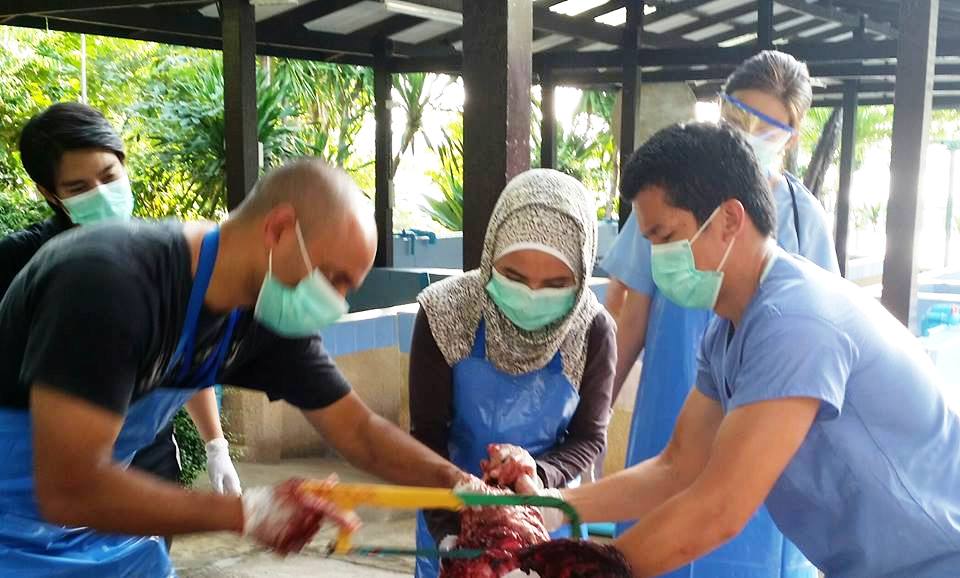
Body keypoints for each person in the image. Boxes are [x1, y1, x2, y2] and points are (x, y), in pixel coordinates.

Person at [527, 122, 960, 577]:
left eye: (666, 236)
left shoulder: (794, 322)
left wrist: (581, 568)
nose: (658, 259)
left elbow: (720, 508)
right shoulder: (728, 331)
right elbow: (678, 467)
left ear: (730, 219)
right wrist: (554, 503)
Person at [0, 157, 466, 577]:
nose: (337, 302)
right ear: (279, 228)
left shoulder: (263, 315)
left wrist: (465, 488)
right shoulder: (109, 284)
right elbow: (67, 487)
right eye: (335, 279)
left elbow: (360, 432)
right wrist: (245, 513)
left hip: (101, 535)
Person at [598, 51, 837, 575]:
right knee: (662, 524)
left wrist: (585, 566)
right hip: (675, 411)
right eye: (736, 118)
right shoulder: (672, 211)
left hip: (763, 440)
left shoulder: (797, 270)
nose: (746, 134)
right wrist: (577, 457)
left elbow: (721, 507)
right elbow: (630, 318)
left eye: (765, 126)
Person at [0, 103, 242, 513]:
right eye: (79, 188)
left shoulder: (165, 254)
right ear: (49, 193)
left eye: (109, 177)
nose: (101, 194)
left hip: (146, 454)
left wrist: (215, 443)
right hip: (41, 469)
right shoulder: (17, 262)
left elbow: (186, 352)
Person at [410, 169, 616, 578]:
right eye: (515, 277)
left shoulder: (592, 329)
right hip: (449, 508)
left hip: (545, 517)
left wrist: (535, 474)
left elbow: (589, 437)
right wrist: (455, 541)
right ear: (490, 259)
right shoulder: (446, 313)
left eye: (557, 283)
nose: (532, 294)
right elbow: (427, 436)